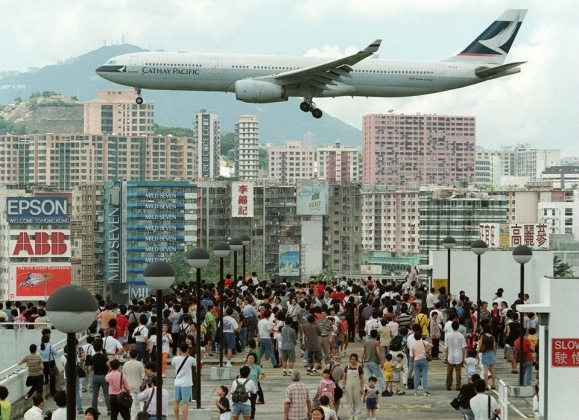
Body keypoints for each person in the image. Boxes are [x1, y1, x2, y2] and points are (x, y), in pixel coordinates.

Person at [172, 343, 196, 420]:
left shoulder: (175, 359)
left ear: (179, 350)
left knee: (176, 402)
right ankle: (185, 419)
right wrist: (188, 354)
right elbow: (195, 364)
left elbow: (173, 364)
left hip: (177, 382)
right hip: (186, 383)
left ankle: (177, 418)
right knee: (185, 403)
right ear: (187, 350)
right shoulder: (190, 359)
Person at [87, 340, 112, 416]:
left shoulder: (92, 358)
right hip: (103, 377)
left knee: (95, 394)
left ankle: (94, 409)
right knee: (106, 394)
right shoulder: (104, 356)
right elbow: (109, 366)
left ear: (94, 349)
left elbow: (90, 369)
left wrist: (94, 366)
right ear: (101, 348)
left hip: (95, 377)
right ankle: (109, 409)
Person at [360, 330, 388, 397]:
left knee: (369, 376)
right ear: (377, 335)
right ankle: (384, 390)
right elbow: (378, 352)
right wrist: (382, 362)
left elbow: (362, 352)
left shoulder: (366, 342)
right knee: (379, 376)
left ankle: (368, 389)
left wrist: (361, 361)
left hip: (367, 361)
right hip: (374, 361)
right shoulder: (377, 343)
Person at [445, 320, 466, 391]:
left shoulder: (448, 336)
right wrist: (464, 357)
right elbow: (463, 348)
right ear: (458, 327)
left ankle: (448, 384)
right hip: (459, 355)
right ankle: (458, 385)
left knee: (449, 371)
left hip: (450, 355)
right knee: (458, 371)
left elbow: (446, 347)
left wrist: (446, 356)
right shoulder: (461, 336)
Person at [122, 349, 145, 415]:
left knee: (132, 403)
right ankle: (143, 415)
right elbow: (143, 375)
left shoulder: (126, 364)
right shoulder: (140, 364)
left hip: (129, 385)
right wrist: (142, 382)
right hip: (138, 384)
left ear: (129, 355)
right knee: (142, 401)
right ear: (137, 355)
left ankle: (133, 417)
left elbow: (124, 376)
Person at [410, 331, 433, 396]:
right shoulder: (423, 342)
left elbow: (413, 354)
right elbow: (431, 345)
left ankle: (415, 391)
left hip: (416, 360)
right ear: (420, 337)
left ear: (414, 337)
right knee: (424, 375)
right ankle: (425, 391)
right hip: (423, 360)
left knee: (416, 376)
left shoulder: (413, 345)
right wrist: (426, 351)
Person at [342, 353, 364, 420]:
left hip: (357, 386)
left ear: (356, 360)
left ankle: (357, 416)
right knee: (349, 401)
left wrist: (362, 388)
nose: (352, 361)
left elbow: (362, 379)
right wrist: (343, 387)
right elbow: (344, 378)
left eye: (354, 359)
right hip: (348, 385)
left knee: (357, 401)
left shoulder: (359, 368)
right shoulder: (347, 367)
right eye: (351, 359)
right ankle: (351, 416)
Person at [244, 353, 265, 418]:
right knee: (245, 404)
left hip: (254, 388)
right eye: (249, 358)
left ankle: (252, 417)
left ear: (254, 359)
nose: (250, 360)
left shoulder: (257, 367)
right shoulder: (244, 367)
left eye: (252, 358)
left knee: (252, 404)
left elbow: (264, 374)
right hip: (245, 389)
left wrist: (258, 379)